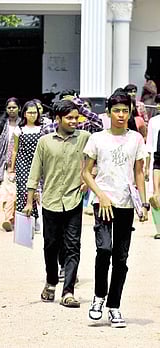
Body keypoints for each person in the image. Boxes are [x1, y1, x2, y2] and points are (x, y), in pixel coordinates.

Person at [82, 91, 148, 328]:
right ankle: (99, 297)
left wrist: (143, 203)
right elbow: (86, 173)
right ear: (108, 112)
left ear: (130, 112)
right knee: (104, 250)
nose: (121, 115)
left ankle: (114, 306)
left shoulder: (136, 139)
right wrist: (101, 195)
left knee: (121, 258)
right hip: (103, 204)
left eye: (125, 111)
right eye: (117, 110)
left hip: (126, 204)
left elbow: (139, 172)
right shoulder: (97, 138)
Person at [24, 99, 90, 308]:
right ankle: (51, 282)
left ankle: (68, 291)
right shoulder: (45, 141)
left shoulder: (85, 138)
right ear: (58, 119)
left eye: (76, 117)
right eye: (69, 118)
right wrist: (28, 202)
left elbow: (95, 161)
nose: (74, 121)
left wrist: (89, 178)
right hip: (51, 201)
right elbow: (35, 171)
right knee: (51, 245)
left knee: (73, 245)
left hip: (74, 200)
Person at [0, 97, 21, 231]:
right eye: (9, 108)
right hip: (6, 163)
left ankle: (12, 218)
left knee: (17, 193)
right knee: (9, 192)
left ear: (19, 108)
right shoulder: (3, 124)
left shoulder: (23, 123)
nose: (11, 110)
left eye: (14, 107)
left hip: (22, 162)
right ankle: (8, 218)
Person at [10, 100, 42, 227]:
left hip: (38, 163)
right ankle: (24, 221)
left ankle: (35, 218)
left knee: (36, 191)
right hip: (23, 163)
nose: (33, 115)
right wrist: (12, 168)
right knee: (23, 191)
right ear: (24, 114)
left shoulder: (42, 129)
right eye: (30, 112)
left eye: (35, 112)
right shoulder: (19, 130)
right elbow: (15, 149)